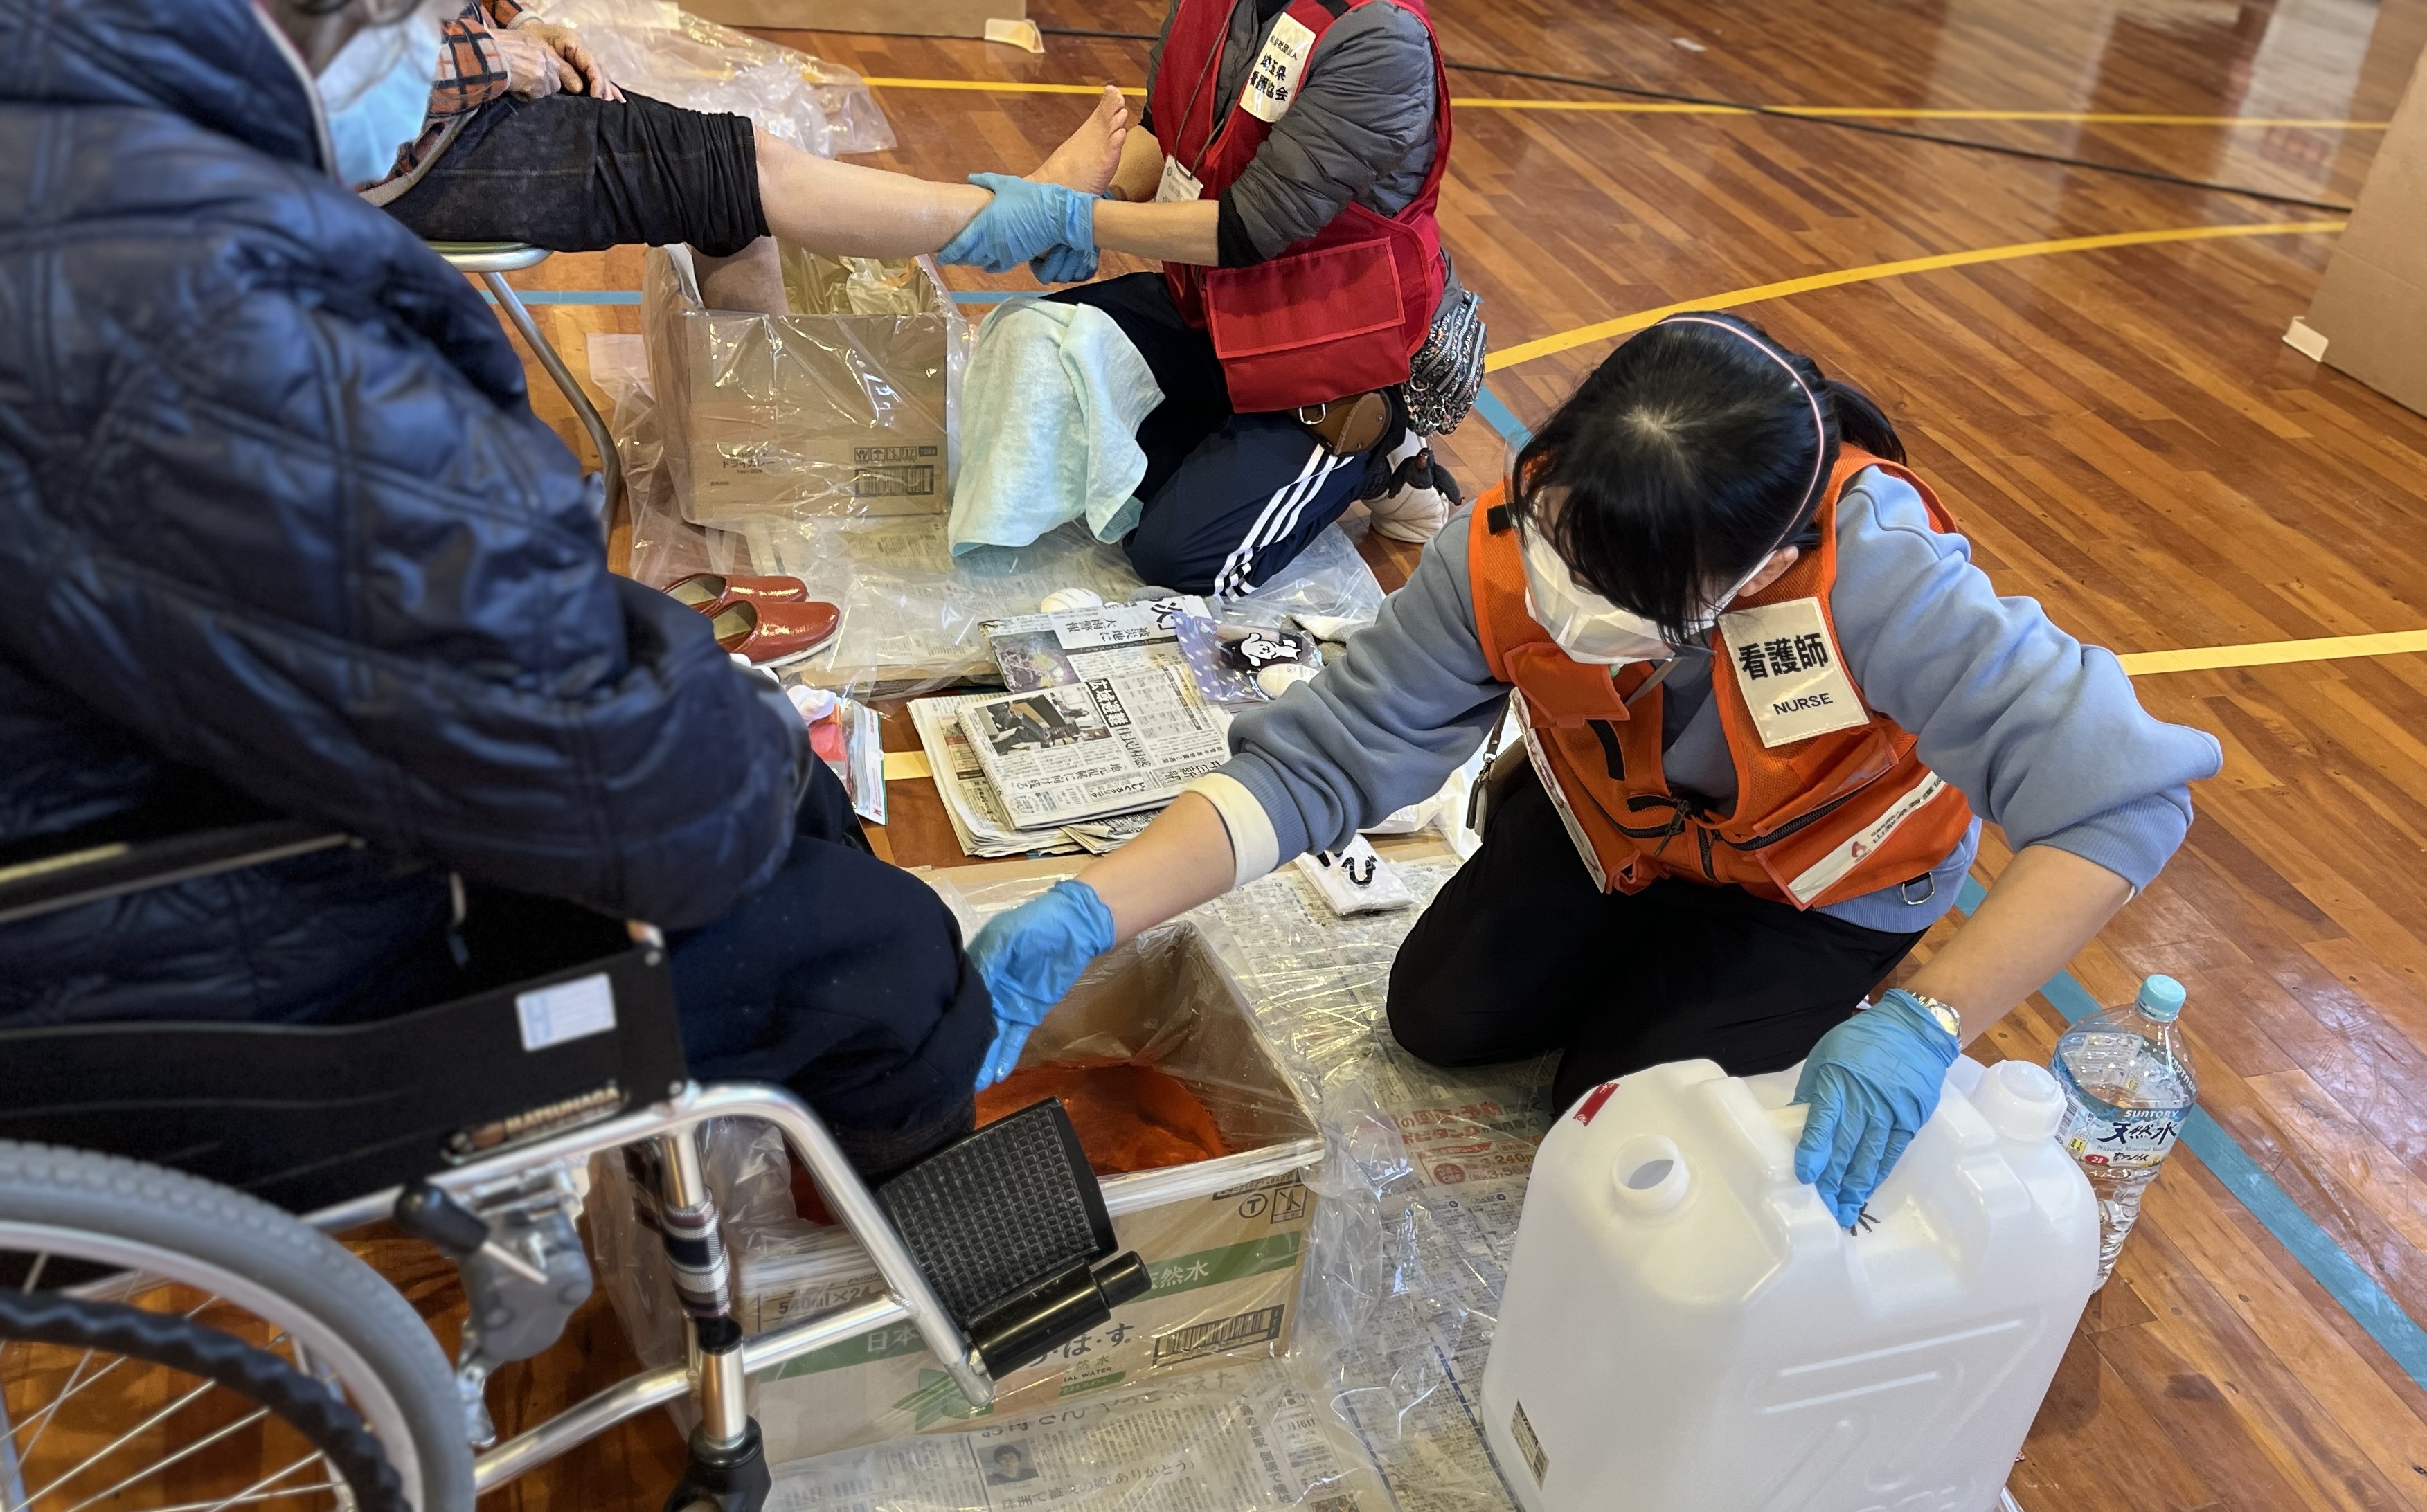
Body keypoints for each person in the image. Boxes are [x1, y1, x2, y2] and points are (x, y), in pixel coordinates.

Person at [0, 0, 1018, 1176]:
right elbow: (625, 790)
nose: (442, 45)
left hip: (121, 827)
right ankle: (889, 1322)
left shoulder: (90, 158)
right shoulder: (190, 303)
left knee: (763, 778)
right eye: (429, 21)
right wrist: (751, 747)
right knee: (890, 970)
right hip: (180, 956)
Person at [964, 313, 2224, 1225]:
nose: (1563, 603)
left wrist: (1930, 1021)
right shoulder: (1502, 542)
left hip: (1816, 889)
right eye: (1560, 536)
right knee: (1441, 1020)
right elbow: (1327, 759)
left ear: (1763, 576)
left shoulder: (1882, 578)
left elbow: (2122, 801)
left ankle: (1762, 997)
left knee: (1611, 1121)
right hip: (1608, 831)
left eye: (1627, 599)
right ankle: (1633, 959)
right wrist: (1093, 906)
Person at [936, 0, 1470, 597]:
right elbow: (1161, 134)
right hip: (1216, 307)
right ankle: (1237, 444)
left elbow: (1249, 229)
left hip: (1332, 349)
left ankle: (1379, 452)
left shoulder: (1381, 36)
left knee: (1179, 558)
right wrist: (1099, 194)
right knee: (1035, 344)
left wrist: (1075, 218)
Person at [343, 1, 1127, 312]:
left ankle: (750, 458)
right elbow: (310, 68)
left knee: (729, 177)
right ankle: (1020, 214)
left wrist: (515, 26)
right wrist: (495, 57)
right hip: (387, 156)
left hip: (446, 103)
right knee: (736, 171)